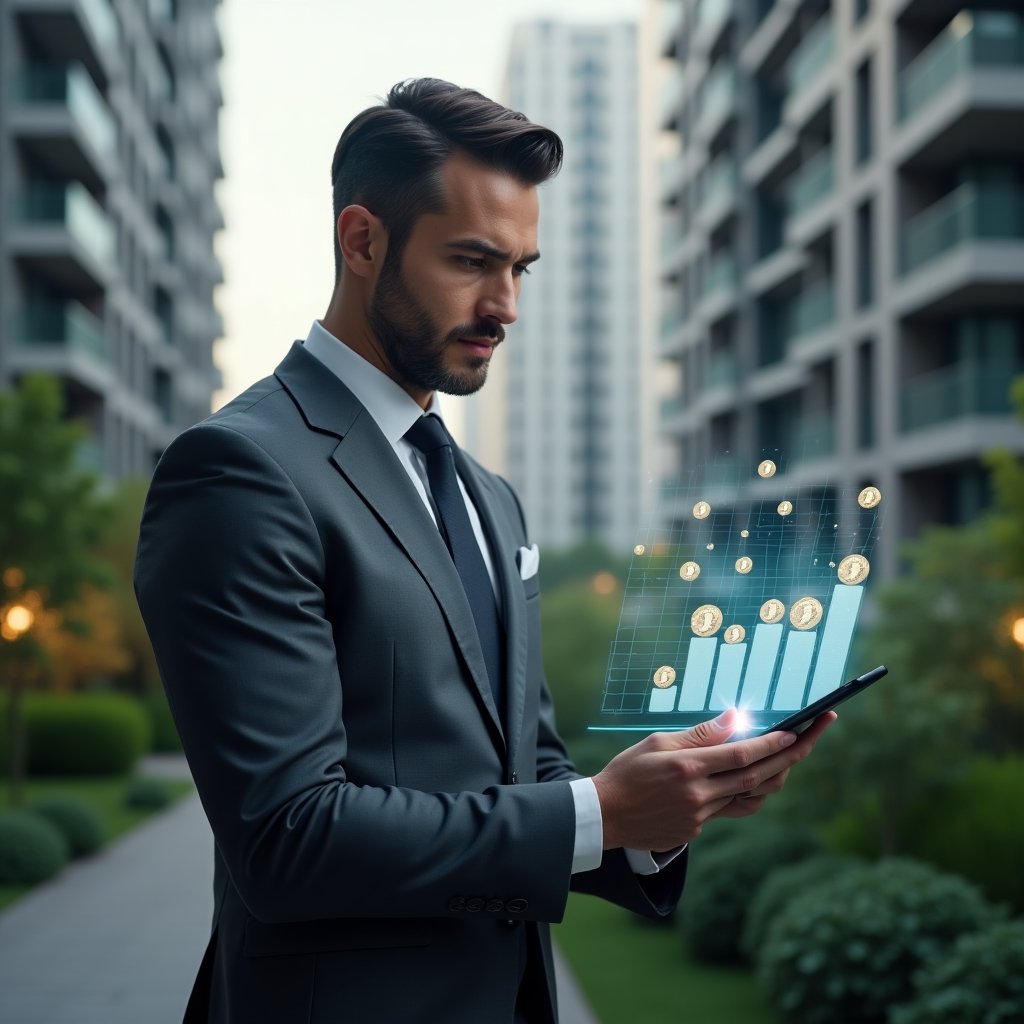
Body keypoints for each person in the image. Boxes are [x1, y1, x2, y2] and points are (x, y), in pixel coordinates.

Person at [134, 78, 833, 1024]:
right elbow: (287, 838)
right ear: (362, 239)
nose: (504, 306)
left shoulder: (487, 498)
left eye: (521, 268)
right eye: (472, 261)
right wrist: (600, 813)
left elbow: (526, 769)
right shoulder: (239, 471)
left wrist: (659, 811)